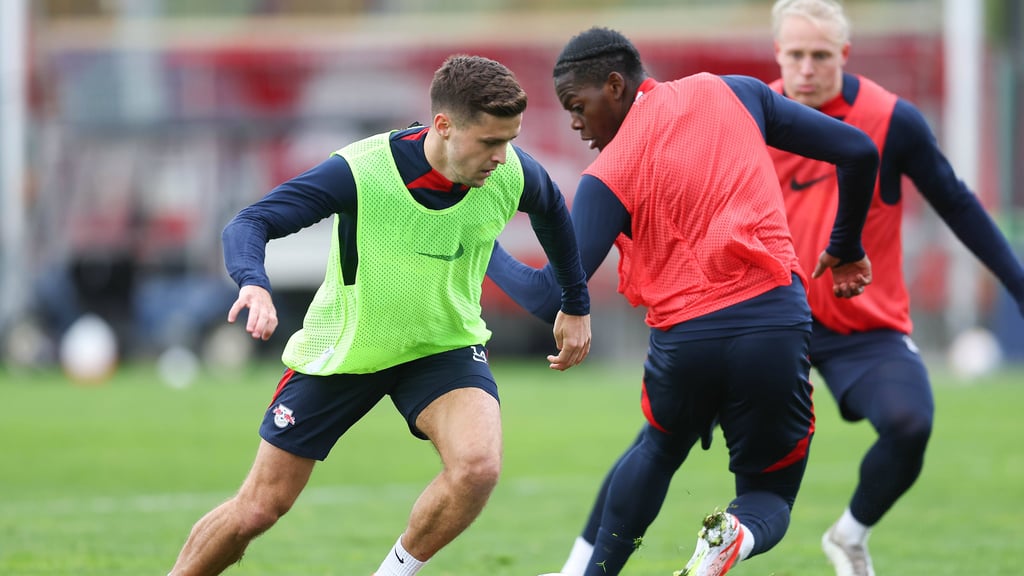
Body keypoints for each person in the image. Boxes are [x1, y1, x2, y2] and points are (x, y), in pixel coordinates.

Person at [553, 3, 1024, 576]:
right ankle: (579, 568)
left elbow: (955, 202)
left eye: (820, 55)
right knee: (658, 444)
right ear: (777, 54)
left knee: (909, 423)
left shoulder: (889, 119)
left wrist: (1017, 285)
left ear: (844, 56)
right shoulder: (734, 106)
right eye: (795, 54)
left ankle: (849, 536)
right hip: (768, 312)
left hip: (853, 317)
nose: (805, 68)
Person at [167, 54, 592, 576]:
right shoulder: (363, 170)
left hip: (442, 345)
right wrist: (253, 283)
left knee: (478, 468)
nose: (503, 157)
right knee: (259, 508)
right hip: (348, 349)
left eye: (509, 140)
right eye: (489, 142)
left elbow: (552, 212)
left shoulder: (512, 171)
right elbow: (251, 223)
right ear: (442, 125)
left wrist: (576, 305)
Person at [486, 26, 879, 576]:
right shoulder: (737, 92)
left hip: (687, 341)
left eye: (579, 106)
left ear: (616, 86)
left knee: (659, 449)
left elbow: (554, 294)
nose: (575, 124)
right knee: (769, 495)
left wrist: (484, 251)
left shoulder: (609, 172)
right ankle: (735, 535)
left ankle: (591, 573)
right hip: (773, 323)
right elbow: (859, 150)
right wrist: (846, 246)